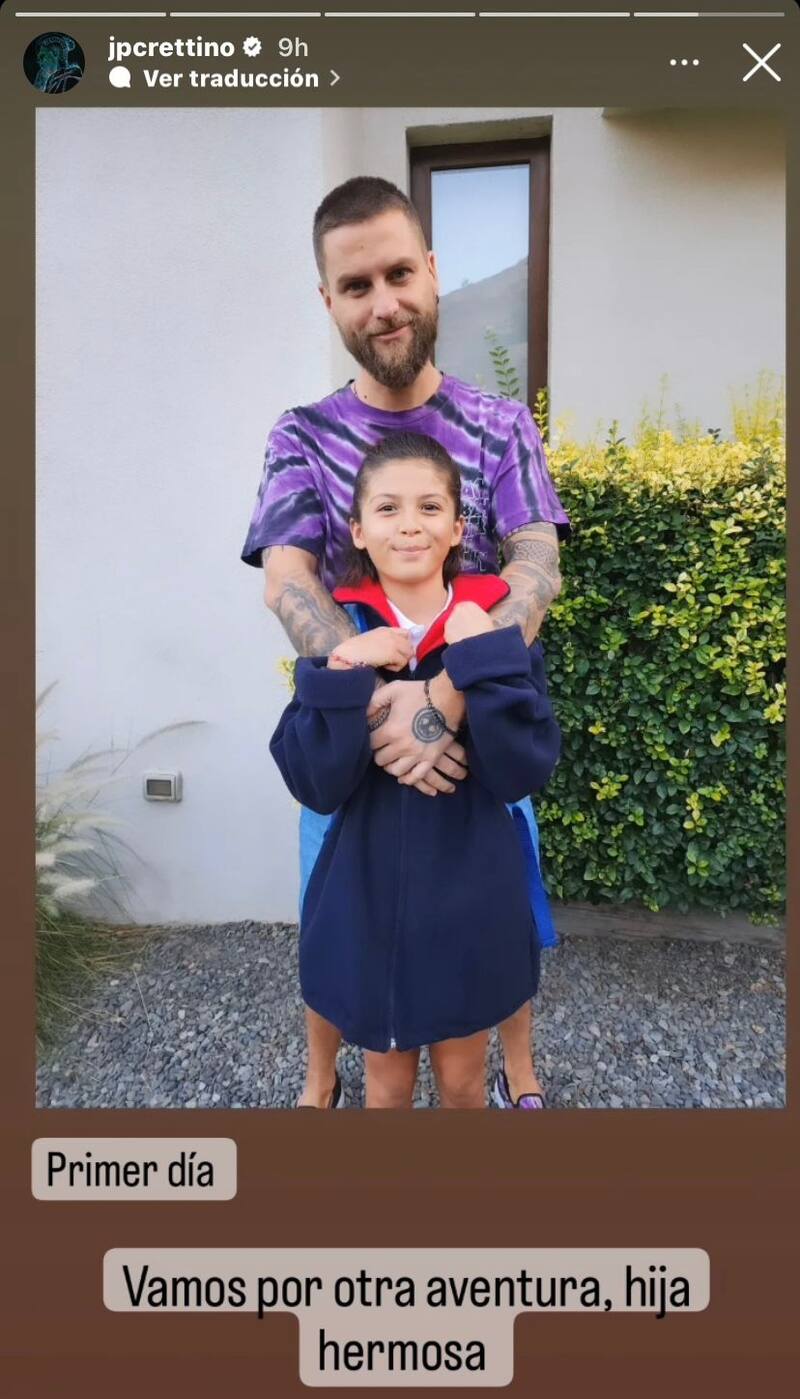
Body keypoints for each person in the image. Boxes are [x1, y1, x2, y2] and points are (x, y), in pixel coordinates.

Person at [242, 175, 570, 1109]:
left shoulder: (500, 424)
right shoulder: (301, 434)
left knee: (493, 921)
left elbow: (536, 565)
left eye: (397, 273)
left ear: (431, 272)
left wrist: (448, 694)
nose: (382, 303)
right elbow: (288, 577)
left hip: (475, 733)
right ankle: (320, 1084)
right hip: (352, 735)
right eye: (356, 285)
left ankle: (515, 1069)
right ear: (329, 301)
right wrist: (378, 693)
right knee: (336, 926)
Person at [269, 433, 560, 1108]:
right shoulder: (341, 635)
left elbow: (523, 765)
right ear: (358, 530)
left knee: (461, 1081)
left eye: (430, 506)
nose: (409, 524)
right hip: (371, 904)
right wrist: (346, 672)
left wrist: (476, 665)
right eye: (388, 508)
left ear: (458, 527)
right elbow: (314, 781)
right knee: (387, 1081)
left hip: (468, 897)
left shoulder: (492, 628)